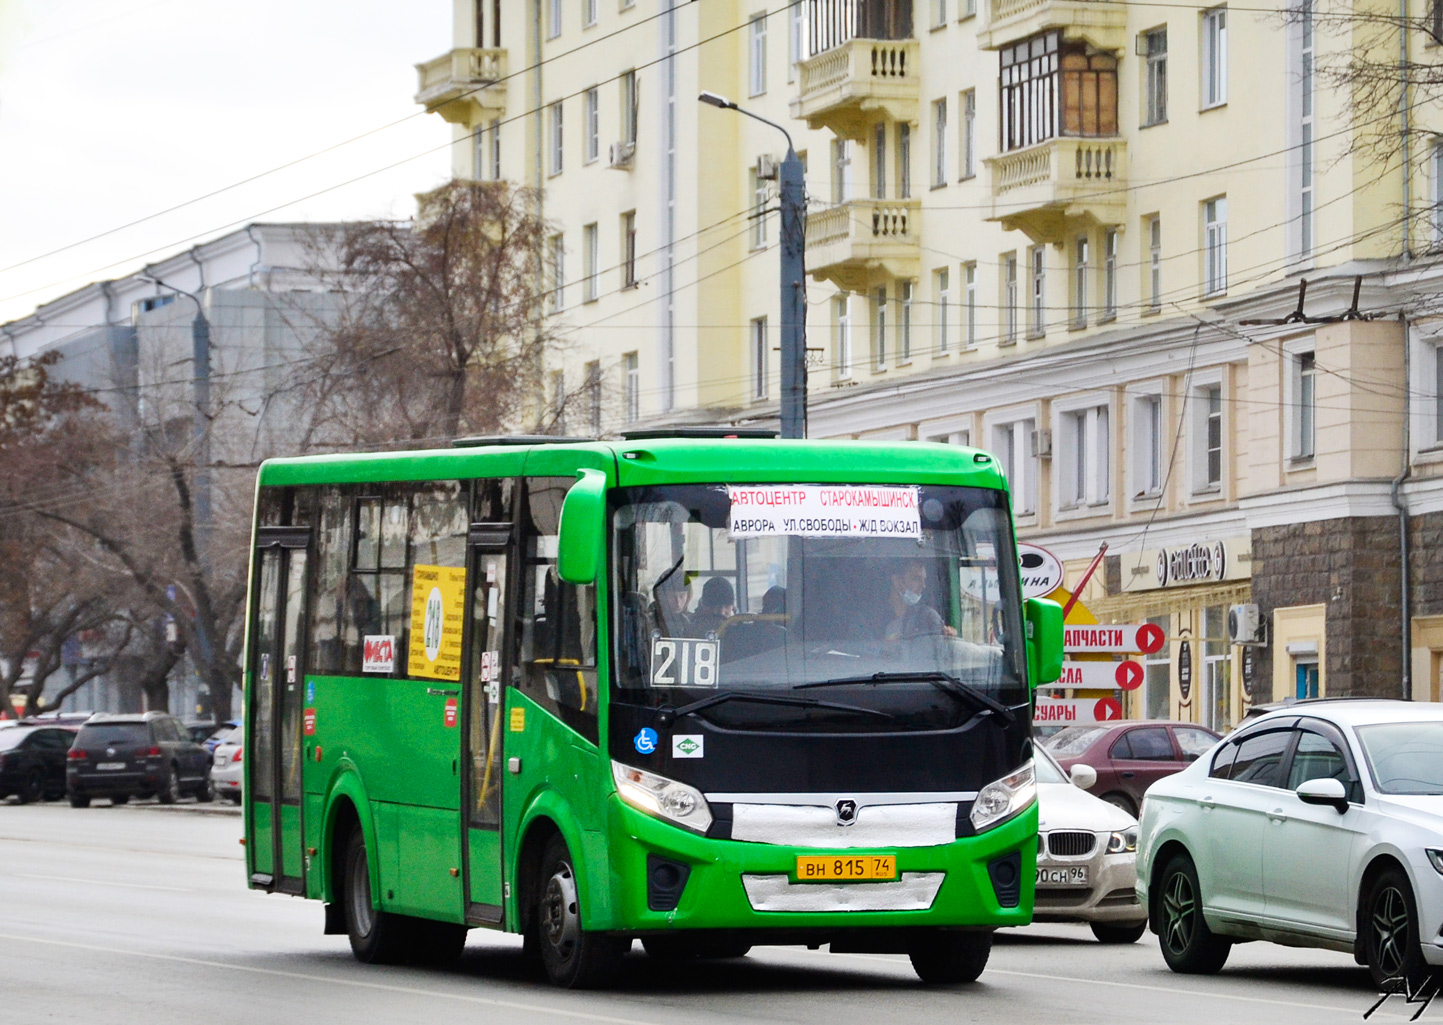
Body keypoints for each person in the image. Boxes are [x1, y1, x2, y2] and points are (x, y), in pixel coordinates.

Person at [884, 561, 956, 642]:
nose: (923, 586)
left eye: (924, 580)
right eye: (916, 579)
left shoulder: (927, 617)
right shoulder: (875, 615)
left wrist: (949, 638)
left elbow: (938, 648)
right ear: (897, 581)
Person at [651, 572, 693, 638]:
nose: (678, 602)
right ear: (661, 596)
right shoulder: (649, 620)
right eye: (672, 596)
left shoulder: (688, 621)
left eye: (682, 596)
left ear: (688, 596)